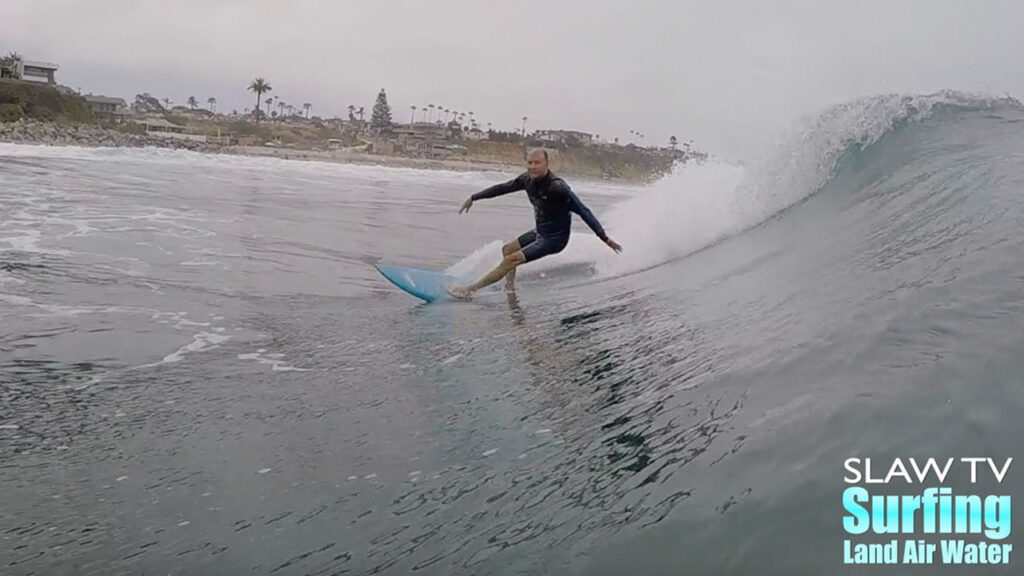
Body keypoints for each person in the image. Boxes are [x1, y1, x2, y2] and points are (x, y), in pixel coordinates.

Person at [445, 149, 622, 299]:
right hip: (540, 232)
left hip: (555, 240)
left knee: (510, 260)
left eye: (537, 163)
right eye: (529, 163)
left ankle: (470, 290)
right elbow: (502, 188)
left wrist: (604, 237)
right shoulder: (526, 180)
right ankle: (510, 288)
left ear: (547, 164)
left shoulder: (558, 188)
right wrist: (474, 197)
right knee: (507, 249)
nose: (532, 167)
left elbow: (584, 211)